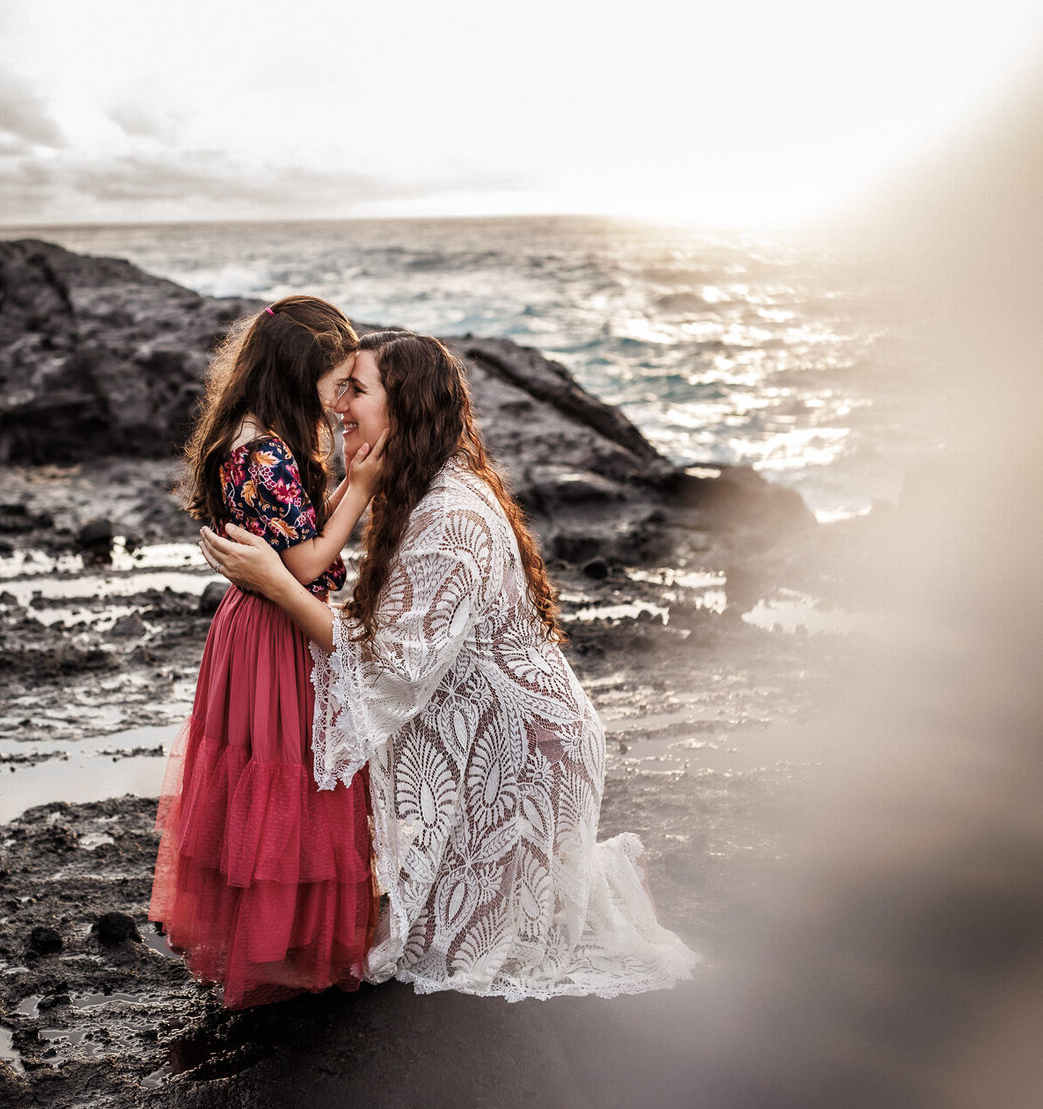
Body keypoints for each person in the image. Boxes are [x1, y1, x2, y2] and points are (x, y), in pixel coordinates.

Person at [199, 329, 697, 1001]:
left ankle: (585, 883)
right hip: (496, 738)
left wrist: (279, 584)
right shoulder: (420, 486)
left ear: (403, 407)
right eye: (338, 387)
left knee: (444, 961)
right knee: (417, 932)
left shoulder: (450, 515)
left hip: (528, 755)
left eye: (357, 390)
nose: (338, 405)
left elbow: (391, 670)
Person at [149, 296, 386, 1007]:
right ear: (294, 373)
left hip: (250, 624)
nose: (343, 397)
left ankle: (271, 939)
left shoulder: (253, 437)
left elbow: (286, 552)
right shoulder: (264, 453)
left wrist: (338, 484)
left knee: (269, 772)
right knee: (295, 773)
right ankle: (282, 949)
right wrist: (362, 488)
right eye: (335, 383)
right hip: (277, 629)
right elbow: (306, 565)